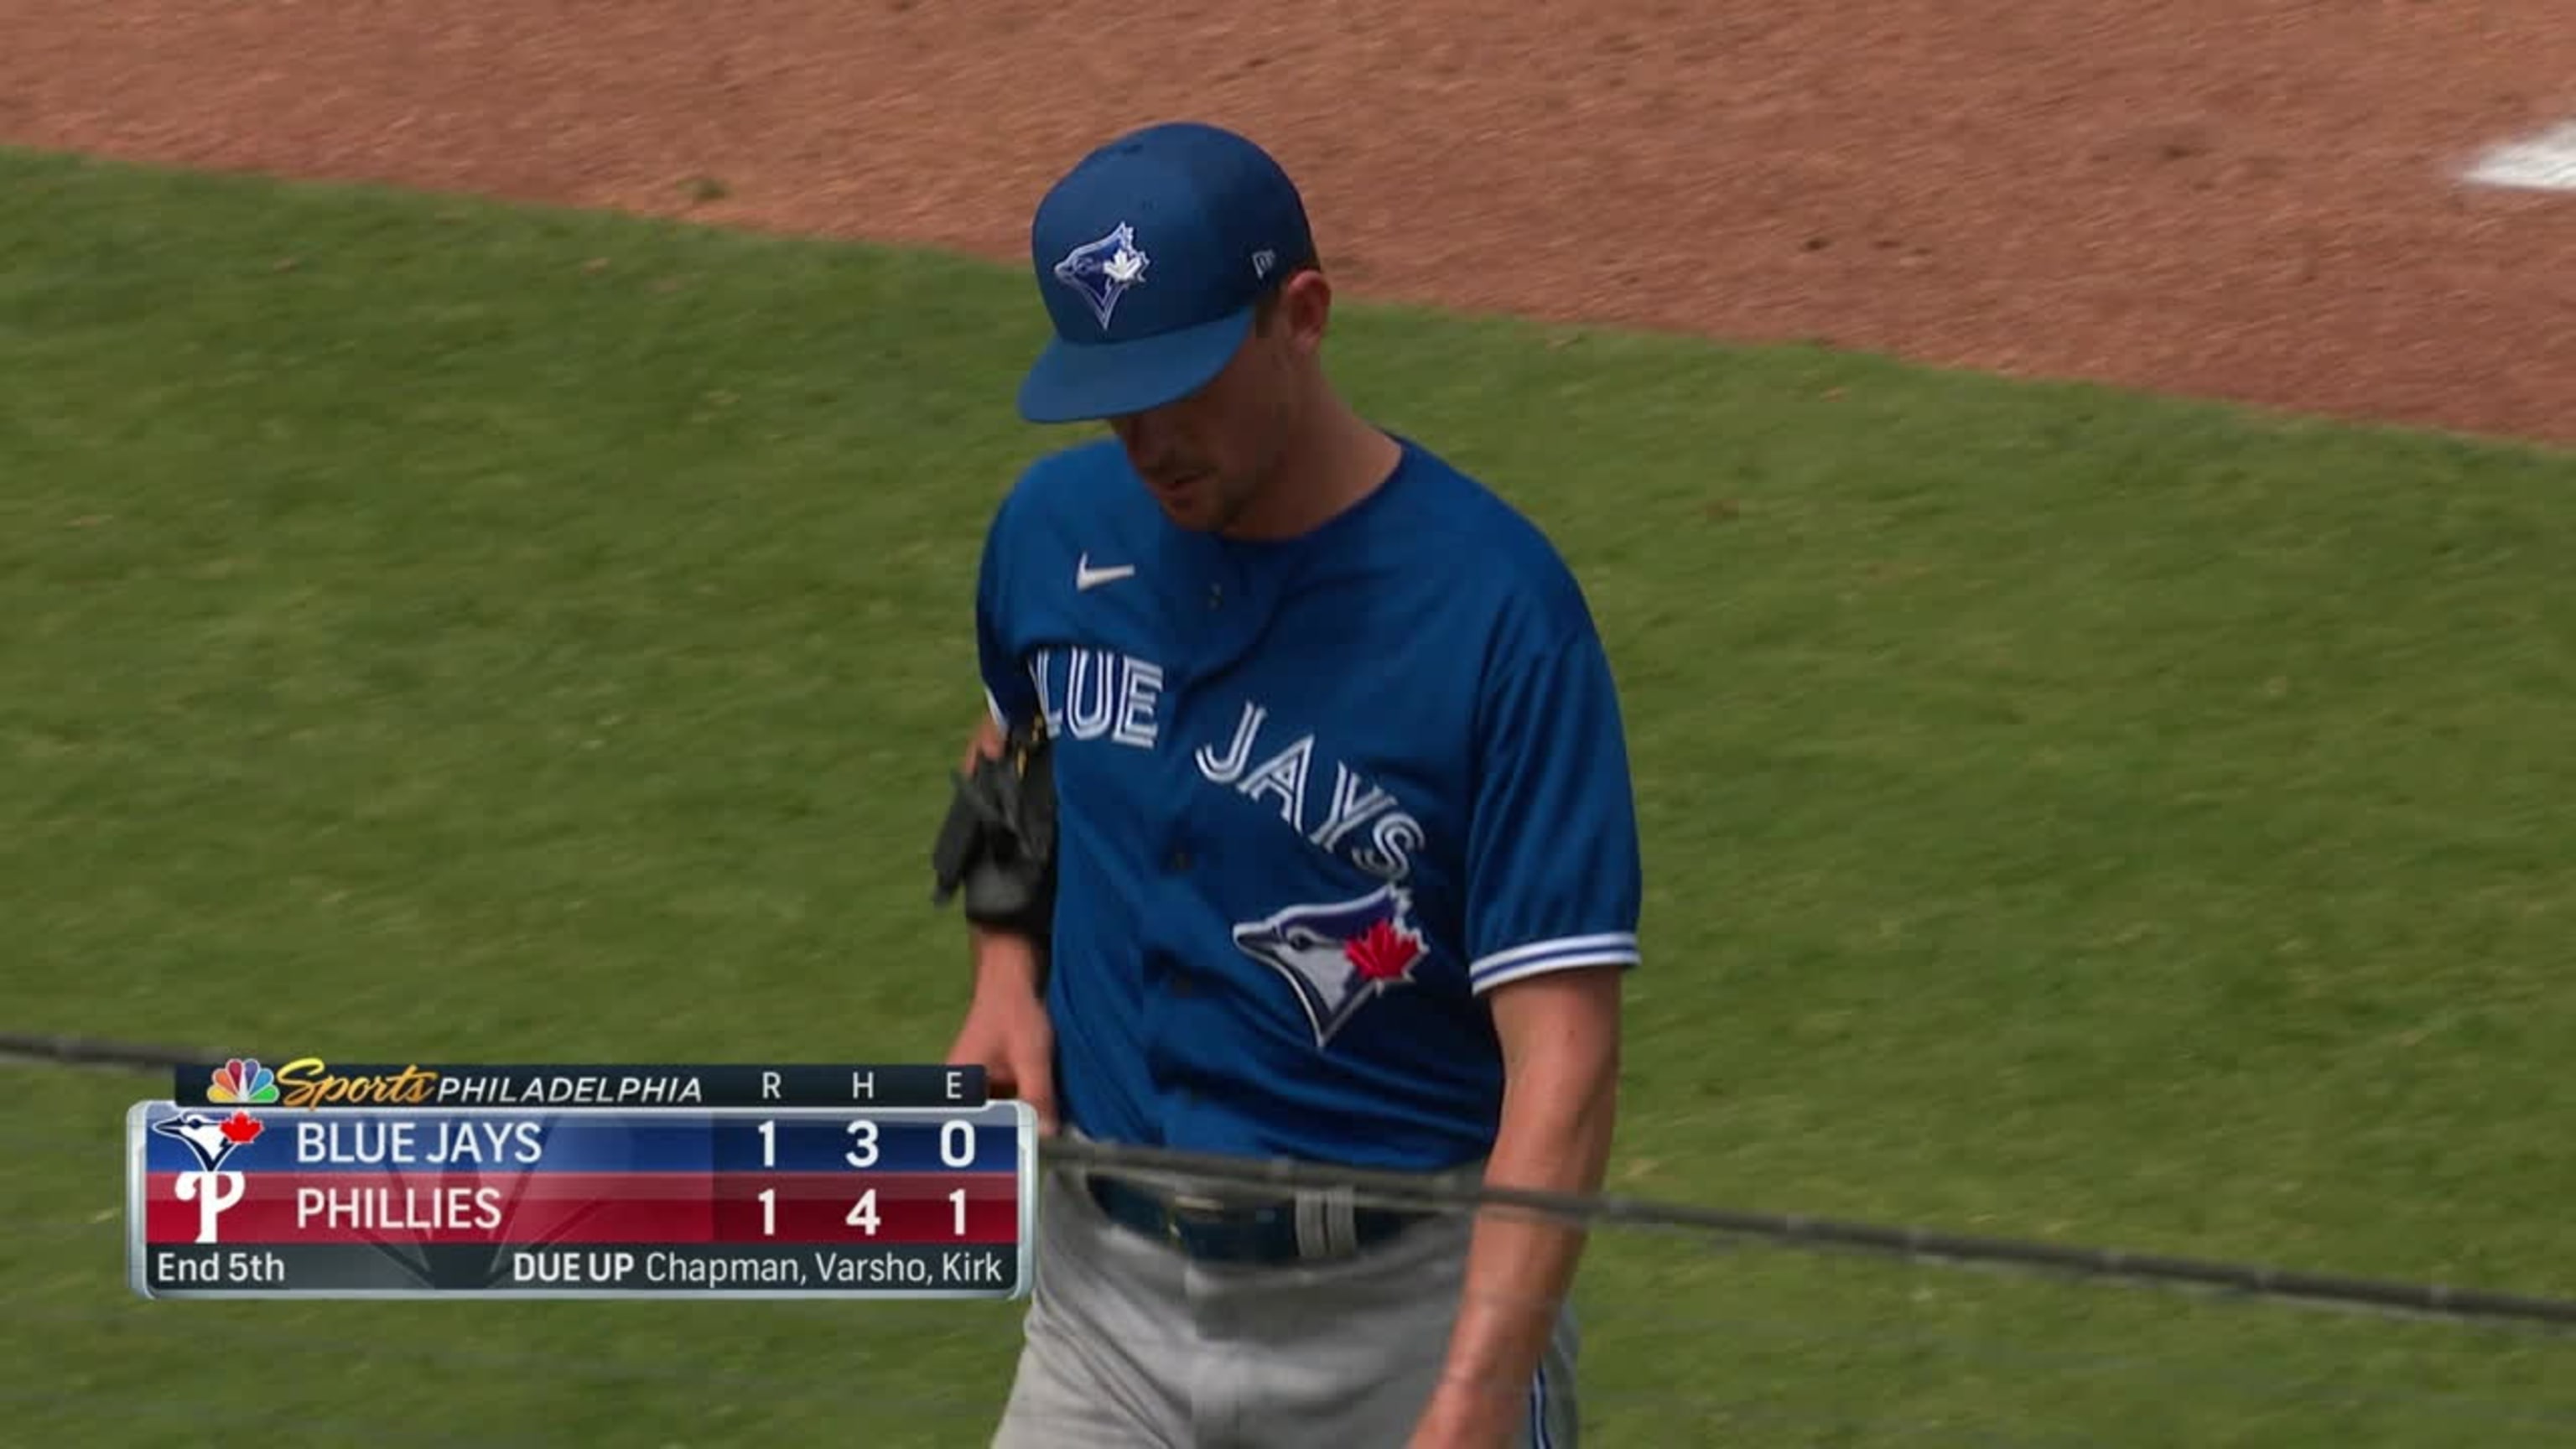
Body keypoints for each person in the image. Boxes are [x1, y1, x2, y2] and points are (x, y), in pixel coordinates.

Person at [940, 118, 1644, 1449]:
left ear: (1301, 316)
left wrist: (1475, 1397)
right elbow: (1009, 754)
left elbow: (1568, 1066)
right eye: (1112, 391)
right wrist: (1000, 973)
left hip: (1405, 1316)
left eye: (1185, 381)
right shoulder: (1053, 535)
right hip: (1104, 1314)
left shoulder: (1497, 617)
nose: (1147, 438)